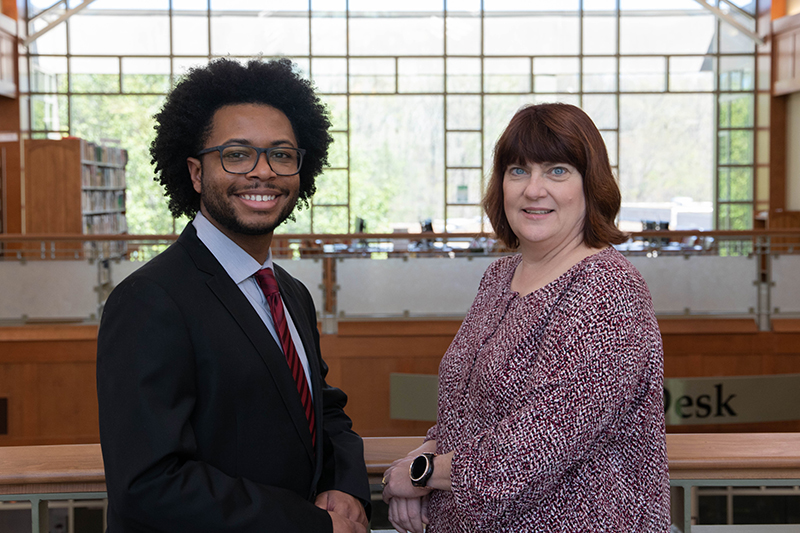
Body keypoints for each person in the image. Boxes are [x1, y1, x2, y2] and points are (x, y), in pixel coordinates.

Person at [96, 58, 370, 533]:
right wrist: (310, 525)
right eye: (237, 154)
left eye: (282, 155)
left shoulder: (290, 292)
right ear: (196, 173)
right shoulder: (148, 300)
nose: (262, 172)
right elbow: (149, 482)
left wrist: (345, 486)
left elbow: (322, 409)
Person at [381, 103, 670, 532]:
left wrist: (421, 474)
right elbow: (468, 407)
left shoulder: (608, 288)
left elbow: (536, 447)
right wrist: (426, 450)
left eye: (557, 171)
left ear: (591, 186)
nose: (534, 189)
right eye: (518, 171)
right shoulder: (499, 277)